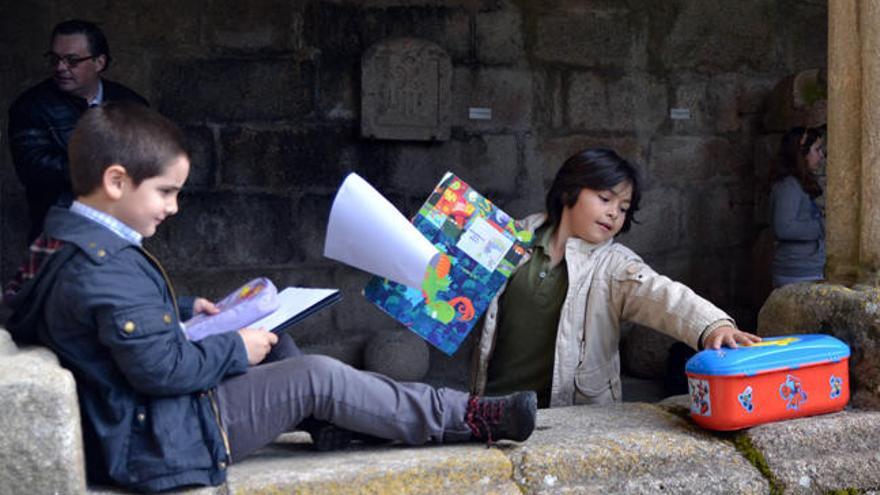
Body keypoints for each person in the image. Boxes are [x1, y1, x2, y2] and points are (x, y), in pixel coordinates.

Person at [2, 102, 537, 493]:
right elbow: (162, 371)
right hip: (157, 439)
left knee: (277, 335)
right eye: (165, 192)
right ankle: (469, 418)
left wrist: (189, 312)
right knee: (314, 376)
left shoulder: (66, 238)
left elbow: (112, 325)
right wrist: (236, 345)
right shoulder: (106, 268)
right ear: (116, 181)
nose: (173, 208)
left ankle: (337, 424)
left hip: (140, 416)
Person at [471, 148, 761, 408]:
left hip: (568, 421)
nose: (613, 213)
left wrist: (713, 325)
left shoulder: (614, 265)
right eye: (605, 198)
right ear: (568, 191)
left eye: (623, 208)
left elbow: (660, 294)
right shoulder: (509, 238)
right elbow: (440, 286)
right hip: (492, 404)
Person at [7, 19, 148, 242]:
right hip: (59, 230)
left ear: (99, 62)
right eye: (54, 59)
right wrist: (107, 171)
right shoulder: (31, 107)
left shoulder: (131, 104)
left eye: (72, 61)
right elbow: (35, 170)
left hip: (122, 228)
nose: (60, 68)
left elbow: (150, 161)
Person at [769, 126, 825, 287]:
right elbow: (784, 227)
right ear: (802, 153)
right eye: (817, 149)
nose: (821, 155)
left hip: (805, 267)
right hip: (796, 271)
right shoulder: (788, 186)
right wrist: (823, 225)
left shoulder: (797, 184)